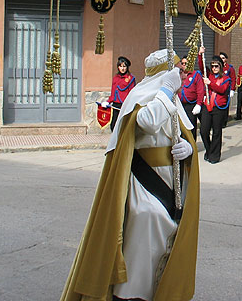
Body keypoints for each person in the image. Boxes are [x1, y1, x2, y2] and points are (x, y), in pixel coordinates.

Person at [61, 49, 199, 301]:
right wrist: (166, 91)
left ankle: (157, 291)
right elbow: (148, 122)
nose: (182, 75)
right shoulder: (143, 96)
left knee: (170, 234)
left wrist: (188, 149)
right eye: (177, 71)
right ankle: (131, 294)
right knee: (148, 222)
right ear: (164, 74)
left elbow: (185, 131)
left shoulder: (172, 100)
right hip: (143, 182)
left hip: (171, 179)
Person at [200, 56, 232, 163]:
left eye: (216, 66)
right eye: (212, 66)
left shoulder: (226, 79)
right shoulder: (209, 75)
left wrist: (210, 83)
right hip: (207, 106)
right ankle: (209, 150)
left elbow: (222, 89)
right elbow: (201, 66)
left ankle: (214, 156)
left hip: (219, 108)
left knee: (216, 133)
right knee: (204, 131)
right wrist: (200, 54)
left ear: (221, 66)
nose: (214, 68)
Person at [104, 56, 136, 131]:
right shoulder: (115, 78)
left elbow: (132, 94)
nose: (122, 68)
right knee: (113, 126)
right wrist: (107, 102)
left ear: (127, 67)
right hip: (116, 105)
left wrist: (130, 105)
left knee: (124, 127)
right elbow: (113, 92)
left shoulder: (131, 78)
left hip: (125, 106)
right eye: (120, 66)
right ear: (118, 67)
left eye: (124, 66)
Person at [179, 56, 205, 140]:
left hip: (191, 105)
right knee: (181, 127)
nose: (183, 65)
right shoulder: (178, 74)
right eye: (182, 63)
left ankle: (192, 145)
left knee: (191, 127)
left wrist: (198, 104)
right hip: (180, 105)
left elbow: (200, 91)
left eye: (185, 63)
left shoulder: (195, 74)